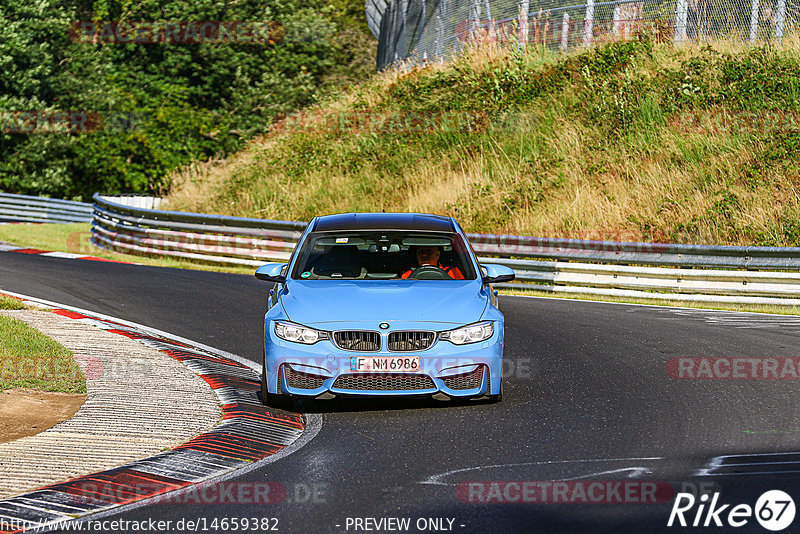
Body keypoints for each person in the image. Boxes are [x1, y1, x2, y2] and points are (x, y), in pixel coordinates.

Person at [400, 245, 465, 279]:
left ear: (438, 254)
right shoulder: (408, 275)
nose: (424, 255)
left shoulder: (453, 272)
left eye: (428, 251)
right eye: (420, 252)